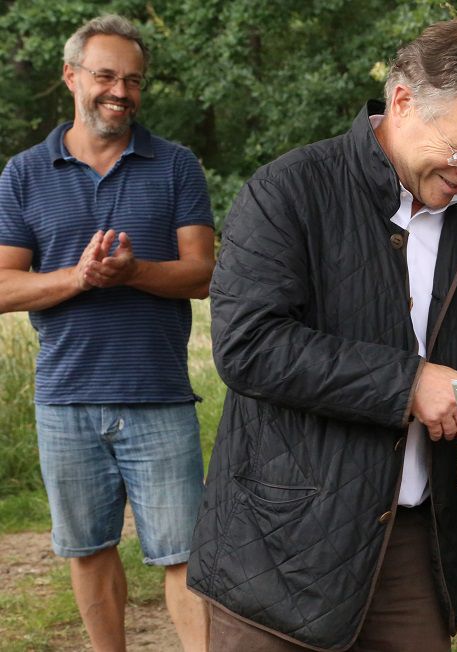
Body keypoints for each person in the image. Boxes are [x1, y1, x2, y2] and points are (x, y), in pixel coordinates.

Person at [186, 18, 457, 652]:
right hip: (278, 544)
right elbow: (248, 346)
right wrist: (409, 384)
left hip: (414, 541)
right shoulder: (287, 190)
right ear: (402, 101)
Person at [0, 14, 214, 652]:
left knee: (186, 556)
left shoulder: (176, 166)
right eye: (105, 76)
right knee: (88, 549)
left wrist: (133, 272)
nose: (120, 91)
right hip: (65, 399)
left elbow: (203, 274)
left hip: (160, 396)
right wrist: (79, 278)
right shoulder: (23, 174)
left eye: (133, 80)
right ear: (71, 77)